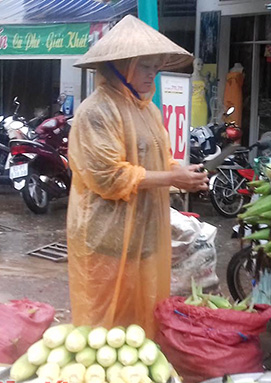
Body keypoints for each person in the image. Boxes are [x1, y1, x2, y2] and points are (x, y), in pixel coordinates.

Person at [68, 15, 207, 338]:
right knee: (104, 328)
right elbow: (108, 177)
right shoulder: (97, 111)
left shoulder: (148, 110)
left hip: (145, 236)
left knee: (142, 322)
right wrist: (173, 180)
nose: (152, 76)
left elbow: (159, 159)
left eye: (156, 68)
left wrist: (182, 173)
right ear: (120, 66)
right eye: (145, 67)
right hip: (107, 237)